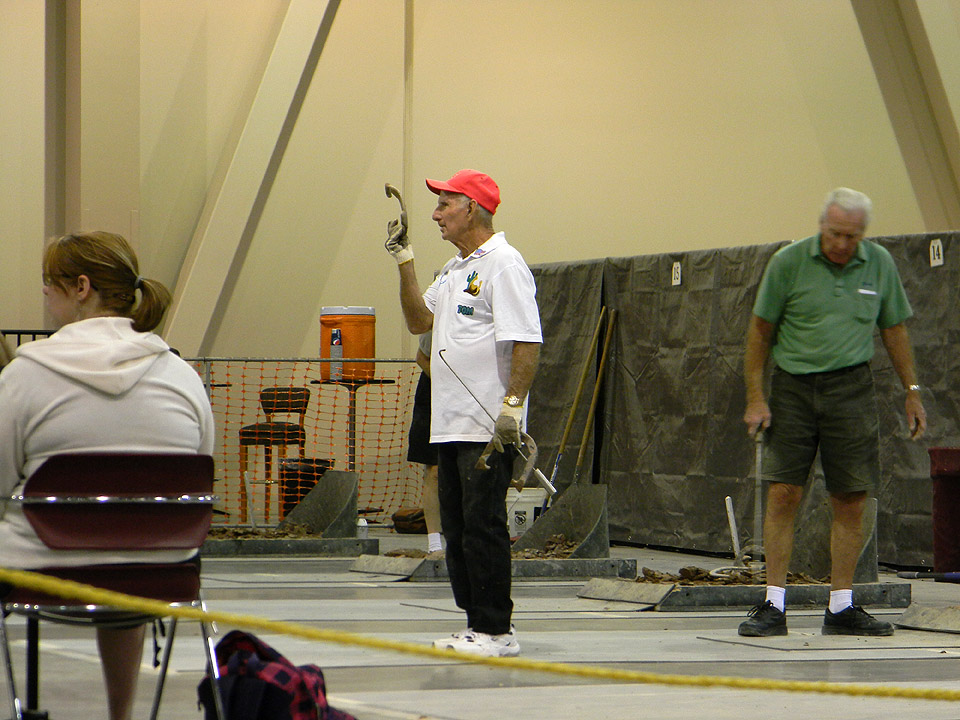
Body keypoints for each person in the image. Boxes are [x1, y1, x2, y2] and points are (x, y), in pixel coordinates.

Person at [0, 231, 214, 720]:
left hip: (43, 567)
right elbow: (200, 471)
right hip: (163, 567)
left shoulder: (25, 374)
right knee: (127, 537)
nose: (44, 295)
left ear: (80, 287)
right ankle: (122, 715)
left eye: (47, 284)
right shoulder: (181, 375)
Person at [739, 188, 926, 638]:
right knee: (784, 492)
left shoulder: (879, 263)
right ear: (822, 226)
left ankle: (841, 606)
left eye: (852, 236)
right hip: (793, 388)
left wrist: (912, 390)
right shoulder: (788, 263)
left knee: (851, 496)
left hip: (852, 389)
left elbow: (894, 329)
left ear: (863, 234)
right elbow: (760, 332)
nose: (843, 244)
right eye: (836, 233)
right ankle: (772, 604)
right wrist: (755, 396)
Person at [385, 169, 542, 657]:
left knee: (483, 527)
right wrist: (405, 261)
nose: (435, 214)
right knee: (455, 530)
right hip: (448, 422)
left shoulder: (504, 264)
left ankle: (498, 630)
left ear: (471, 207)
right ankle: (477, 625)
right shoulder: (453, 271)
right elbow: (418, 322)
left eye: (444, 204)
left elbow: (527, 341)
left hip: (487, 428)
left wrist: (512, 406)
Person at [409, 331, 442, 554]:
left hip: (470, 392)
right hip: (434, 390)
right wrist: (444, 384)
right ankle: (435, 543)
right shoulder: (435, 313)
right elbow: (422, 357)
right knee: (434, 470)